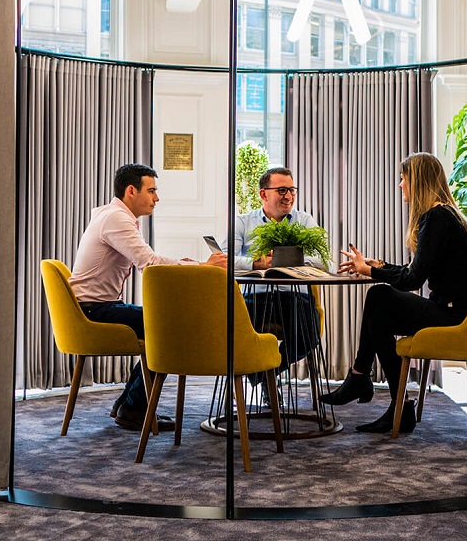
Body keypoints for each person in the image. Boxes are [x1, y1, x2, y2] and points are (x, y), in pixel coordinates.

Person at [319, 152, 467, 434]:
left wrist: (370, 271)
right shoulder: (446, 215)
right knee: (379, 306)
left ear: (417, 181)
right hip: (458, 312)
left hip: (454, 316)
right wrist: (378, 265)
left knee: (378, 299)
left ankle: (369, 383)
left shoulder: (436, 218)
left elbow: (412, 279)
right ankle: (374, 387)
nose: (400, 185)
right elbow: (416, 270)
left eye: (403, 179)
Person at [68, 163, 228, 432]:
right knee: (167, 327)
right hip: (94, 309)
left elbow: (148, 258)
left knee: (161, 322)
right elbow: (149, 263)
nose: (157, 198)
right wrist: (202, 267)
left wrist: (191, 264)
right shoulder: (116, 219)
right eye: (151, 190)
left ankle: (128, 404)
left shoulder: (114, 215)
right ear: (132, 191)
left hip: (96, 306)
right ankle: (134, 408)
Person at [233, 166, 325, 380]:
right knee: (235, 334)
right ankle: (265, 377)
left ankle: (265, 375)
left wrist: (286, 260)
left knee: (308, 336)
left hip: (294, 298)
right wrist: (255, 263)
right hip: (254, 298)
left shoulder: (304, 221)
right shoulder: (243, 222)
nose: (289, 196)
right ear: (263, 194)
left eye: (292, 190)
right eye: (282, 190)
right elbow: (223, 259)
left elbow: (322, 261)